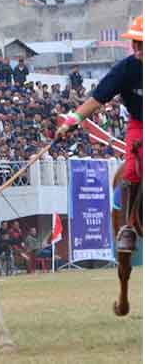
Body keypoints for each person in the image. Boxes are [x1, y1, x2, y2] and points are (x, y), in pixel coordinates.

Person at [56, 15, 143, 253]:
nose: (137, 48)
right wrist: (70, 122)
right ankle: (128, 227)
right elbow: (95, 100)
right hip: (139, 123)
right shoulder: (124, 69)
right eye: (135, 42)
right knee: (133, 169)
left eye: (142, 43)